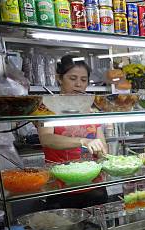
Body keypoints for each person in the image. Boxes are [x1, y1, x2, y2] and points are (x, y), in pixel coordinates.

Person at [36, 55, 108, 208]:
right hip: (61, 187)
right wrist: (82, 140)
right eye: (73, 78)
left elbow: (101, 143)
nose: (78, 84)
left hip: (94, 184)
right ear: (59, 78)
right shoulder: (46, 106)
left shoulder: (91, 108)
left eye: (83, 80)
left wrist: (105, 157)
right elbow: (46, 139)